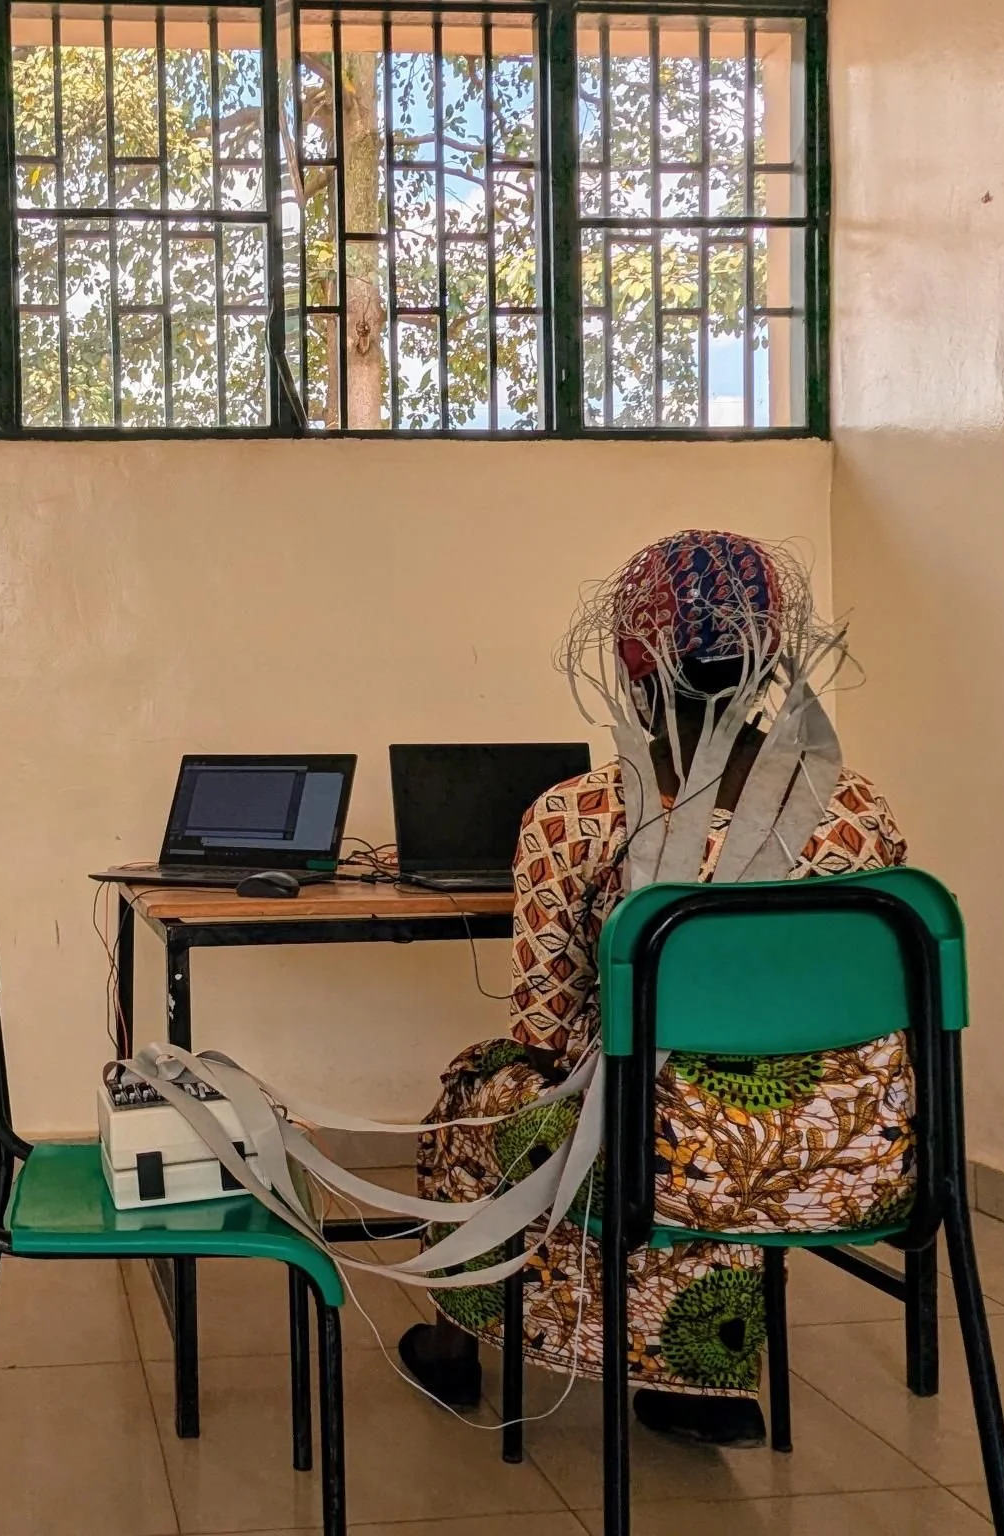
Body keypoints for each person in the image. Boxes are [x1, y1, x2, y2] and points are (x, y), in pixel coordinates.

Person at [398, 530, 913, 1447]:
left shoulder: (581, 814)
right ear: (768, 658)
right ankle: (699, 1378)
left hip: (661, 1158)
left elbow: (544, 1028)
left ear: (632, 663)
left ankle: (456, 1349)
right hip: (851, 1161)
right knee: (697, 1099)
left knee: (490, 1093)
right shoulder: (858, 811)